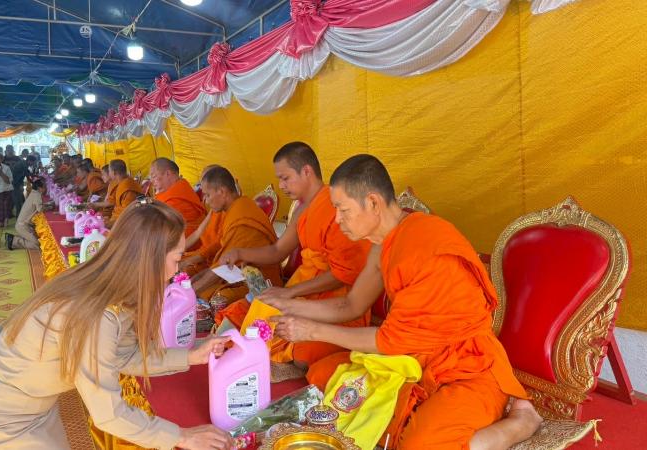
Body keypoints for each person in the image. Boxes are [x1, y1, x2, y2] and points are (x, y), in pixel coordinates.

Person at [267, 154, 542, 450]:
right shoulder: (382, 244)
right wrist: (289, 306)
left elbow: (388, 341)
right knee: (324, 374)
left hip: (467, 368)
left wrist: (310, 330)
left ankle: (522, 422)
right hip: (412, 359)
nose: (337, 220)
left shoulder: (428, 250)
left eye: (343, 210)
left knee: (420, 445)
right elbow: (352, 305)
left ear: (373, 203)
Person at [0, 200, 233, 450]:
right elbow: (109, 414)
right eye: (177, 259)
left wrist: (190, 356)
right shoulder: (98, 316)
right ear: (150, 259)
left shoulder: (108, 286)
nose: (177, 270)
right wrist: (183, 436)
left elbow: (123, 355)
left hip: (28, 404)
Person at [217, 142, 371, 368]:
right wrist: (240, 252)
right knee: (238, 312)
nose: (281, 185)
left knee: (301, 354)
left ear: (306, 171)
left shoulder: (337, 207)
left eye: (285, 178)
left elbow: (344, 274)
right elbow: (277, 251)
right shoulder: (301, 209)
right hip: (304, 289)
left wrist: (290, 292)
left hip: (336, 298)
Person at [188, 167, 282, 301]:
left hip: (260, 281)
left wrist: (188, 293)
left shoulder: (241, 216)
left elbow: (224, 266)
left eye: (208, 195)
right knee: (197, 283)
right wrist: (200, 277)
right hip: (238, 272)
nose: (206, 201)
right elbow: (224, 250)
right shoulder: (235, 209)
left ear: (222, 192)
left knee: (215, 298)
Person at [150, 157, 206, 238]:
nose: (151, 181)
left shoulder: (177, 197)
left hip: (188, 240)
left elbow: (159, 226)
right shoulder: (176, 188)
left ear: (168, 174)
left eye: (154, 176)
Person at [89, 159, 142, 227]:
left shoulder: (128, 186)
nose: (109, 173)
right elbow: (115, 204)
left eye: (109, 171)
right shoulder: (119, 183)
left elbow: (128, 212)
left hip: (125, 223)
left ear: (113, 172)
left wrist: (111, 223)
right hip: (116, 218)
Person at [5, 178, 45, 250]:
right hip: (23, 226)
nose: (46, 189)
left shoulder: (33, 193)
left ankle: (15, 239)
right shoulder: (37, 195)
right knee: (37, 244)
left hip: (23, 225)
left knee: (37, 240)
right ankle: (13, 240)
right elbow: (40, 209)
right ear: (39, 188)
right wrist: (49, 207)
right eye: (44, 187)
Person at [5, 145, 27, 217]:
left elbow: (23, 170)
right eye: (8, 149)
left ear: (13, 150)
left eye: (11, 149)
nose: (10, 151)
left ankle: (18, 214)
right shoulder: (3, 159)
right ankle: (9, 213)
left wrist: (21, 182)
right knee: (8, 199)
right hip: (6, 182)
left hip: (17, 182)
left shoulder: (17, 158)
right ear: (6, 150)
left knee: (17, 199)